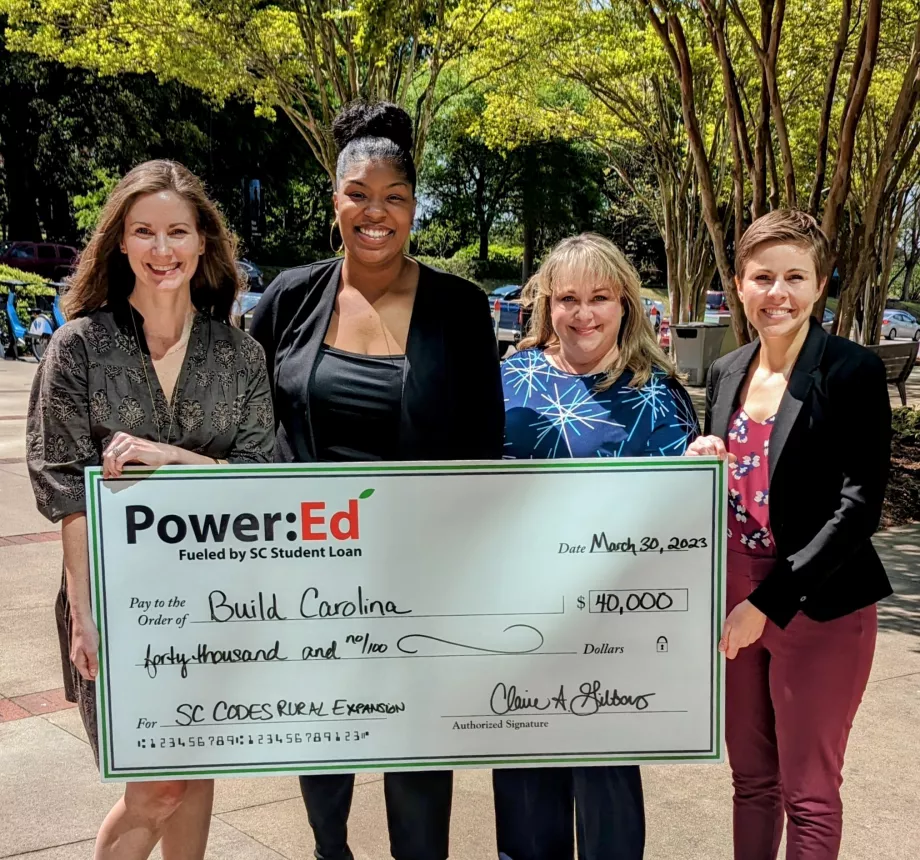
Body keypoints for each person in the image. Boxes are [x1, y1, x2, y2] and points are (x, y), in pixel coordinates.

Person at [249, 100, 504, 860]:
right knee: (322, 738)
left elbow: (484, 447)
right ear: (336, 201)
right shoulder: (292, 296)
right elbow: (238, 409)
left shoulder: (457, 306)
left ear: (415, 209)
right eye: (359, 193)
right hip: (310, 567)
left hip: (422, 571)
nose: (376, 212)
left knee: (418, 748)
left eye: (395, 197)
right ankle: (332, 853)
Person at [26, 159, 275, 859]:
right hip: (117, 602)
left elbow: (260, 475)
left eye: (177, 232)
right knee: (153, 789)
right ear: (121, 242)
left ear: (203, 243)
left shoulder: (239, 356)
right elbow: (65, 490)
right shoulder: (79, 348)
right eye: (144, 232)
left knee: (195, 774)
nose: (162, 250)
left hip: (217, 599)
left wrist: (174, 457)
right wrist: (84, 613)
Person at [686, 210, 892, 860]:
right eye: (763, 277)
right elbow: (735, 488)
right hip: (734, 601)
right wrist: (704, 466)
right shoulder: (728, 372)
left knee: (809, 794)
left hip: (819, 602)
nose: (778, 293)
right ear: (740, 284)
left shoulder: (850, 372)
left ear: (822, 283)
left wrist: (766, 606)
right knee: (751, 781)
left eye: (795, 277)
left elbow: (857, 509)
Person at [496, 232, 700, 859]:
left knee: (606, 782)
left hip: (614, 626)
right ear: (546, 305)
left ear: (625, 306)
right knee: (526, 783)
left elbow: (682, 518)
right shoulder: (505, 378)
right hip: (516, 618)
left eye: (600, 297)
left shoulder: (656, 395)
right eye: (568, 298)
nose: (583, 313)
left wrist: (702, 471)